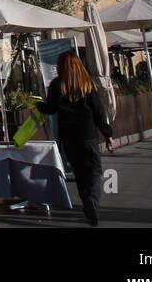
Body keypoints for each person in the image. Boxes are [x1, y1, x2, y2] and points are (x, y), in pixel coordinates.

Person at [36, 50, 113, 226]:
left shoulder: (57, 85)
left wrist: (39, 105)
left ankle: (88, 203)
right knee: (93, 170)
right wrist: (107, 134)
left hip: (68, 135)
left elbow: (51, 109)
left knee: (79, 171)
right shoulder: (88, 84)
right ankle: (92, 199)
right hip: (87, 134)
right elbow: (98, 112)